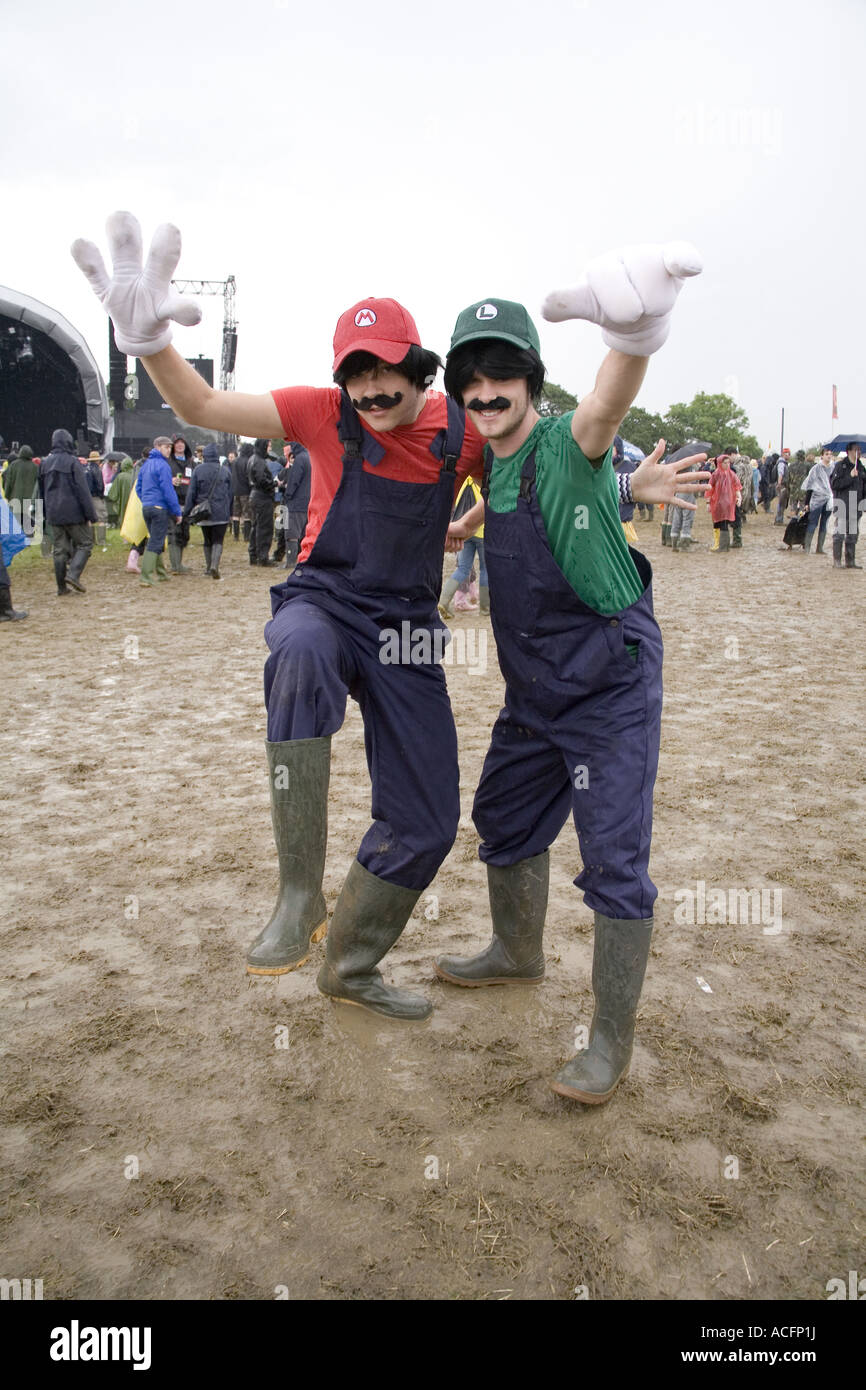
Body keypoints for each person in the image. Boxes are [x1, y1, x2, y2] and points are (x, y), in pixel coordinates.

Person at [71, 212, 484, 1021]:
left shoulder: (465, 434)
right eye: (354, 372)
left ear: (420, 369)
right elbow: (198, 402)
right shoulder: (318, 412)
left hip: (404, 627)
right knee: (295, 649)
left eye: (385, 371)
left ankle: (352, 966)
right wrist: (146, 338)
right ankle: (299, 897)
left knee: (431, 819)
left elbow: (535, 478)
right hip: (324, 601)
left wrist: (464, 527)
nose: (370, 389)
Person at [436, 241, 707, 1105]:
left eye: (503, 375)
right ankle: (517, 953)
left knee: (614, 862)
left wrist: (636, 333)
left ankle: (609, 1045)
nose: (486, 393)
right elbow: (523, 502)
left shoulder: (562, 439)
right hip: (534, 692)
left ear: (531, 380)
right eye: (471, 380)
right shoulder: (495, 459)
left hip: (609, 685)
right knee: (504, 819)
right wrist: (463, 526)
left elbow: (601, 413)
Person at [38, 429, 98, 595]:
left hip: (54, 514)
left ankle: (61, 588)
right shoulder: (73, 462)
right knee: (85, 544)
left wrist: (44, 514)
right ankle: (73, 575)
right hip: (74, 513)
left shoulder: (44, 463)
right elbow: (83, 491)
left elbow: (41, 492)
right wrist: (91, 516)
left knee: (59, 550)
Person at [135, 435, 183, 586]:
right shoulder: (163, 466)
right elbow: (168, 490)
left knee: (155, 539)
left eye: (170, 447)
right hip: (159, 508)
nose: (169, 450)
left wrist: (147, 500)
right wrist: (176, 511)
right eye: (166, 447)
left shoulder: (146, 465)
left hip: (147, 507)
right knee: (156, 541)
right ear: (157, 447)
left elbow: (138, 488)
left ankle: (162, 573)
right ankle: (145, 577)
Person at [439, 471, 488, 615]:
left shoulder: (463, 480)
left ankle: (443, 601)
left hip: (462, 531)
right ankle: (485, 608)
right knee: (485, 569)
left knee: (462, 568)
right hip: (482, 530)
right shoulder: (482, 480)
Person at [184, 441, 233, 578]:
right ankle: (214, 566)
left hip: (204, 512)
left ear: (204, 455)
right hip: (221, 512)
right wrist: (230, 512)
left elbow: (192, 493)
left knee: (207, 540)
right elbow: (230, 493)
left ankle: (208, 567)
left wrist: (187, 512)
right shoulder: (225, 470)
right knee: (218, 540)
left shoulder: (198, 470)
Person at [830, 441, 866, 569]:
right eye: (856, 449)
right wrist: (850, 476)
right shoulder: (840, 466)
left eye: (860, 449)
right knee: (839, 534)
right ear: (849, 451)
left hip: (856, 505)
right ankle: (837, 561)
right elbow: (835, 484)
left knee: (853, 535)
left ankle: (850, 561)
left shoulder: (861, 467)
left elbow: (864, 486)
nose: (859, 452)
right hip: (843, 503)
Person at [280, 441, 312, 568]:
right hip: (307, 502)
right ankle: (303, 560)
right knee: (303, 534)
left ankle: (290, 562)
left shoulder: (299, 460)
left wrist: (287, 495)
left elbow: (294, 481)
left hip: (295, 504)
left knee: (291, 535)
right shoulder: (310, 457)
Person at [247, 437, 277, 565]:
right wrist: (273, 483)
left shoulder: (253, 459)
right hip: (262, 497)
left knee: (256, 526)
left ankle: (254, 555)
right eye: (268, 446)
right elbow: (261, 479)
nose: (268, 449)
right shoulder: (259, 461)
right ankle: (263, 557)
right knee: (264, 527)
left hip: (255, 495)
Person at [167, 436, 193, 572]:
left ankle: (180, 563)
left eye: (182, 443)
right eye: (177, 443)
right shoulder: (168, 462)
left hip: (187, 503)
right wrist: (170, 480)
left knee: (184, 534)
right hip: (173, 502)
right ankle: (175, 565)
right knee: (173, 534)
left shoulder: (190, 462)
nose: (180, 445)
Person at [706, 450, 741, 551]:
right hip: (717, 503)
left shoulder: (731, 474)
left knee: (725, 523)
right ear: (720, 463)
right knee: (717, 522)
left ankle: (724, 545)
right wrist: (708, 502)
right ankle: (717, 544)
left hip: (728, 503)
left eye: (728, 463)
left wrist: (739, 498)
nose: (727, 465)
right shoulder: (716, 474)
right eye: (725, 463)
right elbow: (710, 488)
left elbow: (737, 487)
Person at [801, 449, 834, 555]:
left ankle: (820, 548)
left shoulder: (833, 468)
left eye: (830, 454)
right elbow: (809, 486)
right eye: (826, 454)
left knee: (824, 524)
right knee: (813, 523)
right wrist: (806, 503)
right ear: (821, 456)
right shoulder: (816, 469)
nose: (829, 456)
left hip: (829, 500)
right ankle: (807, 548)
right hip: (816, 500)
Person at [1, 444, 37, 535]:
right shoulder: (35, 467)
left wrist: (7, 495)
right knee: (28, 518)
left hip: (15, 497)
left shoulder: (14, 465)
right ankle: (29, 536)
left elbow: (9, 482)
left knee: (15, 520)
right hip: (30, 498)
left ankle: (17, 538)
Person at [231, 442, 254, 542]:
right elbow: (249, 477)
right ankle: (247, 536)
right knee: (246, 514)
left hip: (235, 491)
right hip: (245, 491)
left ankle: (236, 536)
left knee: (236, 514)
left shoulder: (235, 461)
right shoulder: (248, 461)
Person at [106, 455, 134, 531]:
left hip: (123, 503)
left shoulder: (120, 476)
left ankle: (125, 537)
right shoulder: (136, 474)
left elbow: (112, 494)